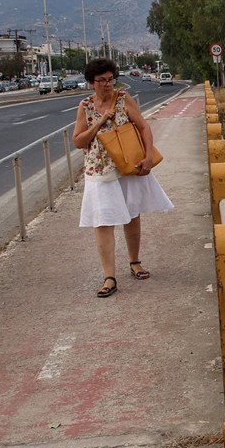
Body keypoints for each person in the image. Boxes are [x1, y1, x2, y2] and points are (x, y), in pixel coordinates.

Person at [73, 58, 173, 297]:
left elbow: (143, 127)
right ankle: (109, 276)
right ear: (91, 83)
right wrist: (100, 120)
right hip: (99, 170)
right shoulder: (85, 106)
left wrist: (148, 156)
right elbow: (78, 141)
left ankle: (135, 261)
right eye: (101, 81)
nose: (107, 85)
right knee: (103, 221)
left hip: (128, 165)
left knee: (131, 215)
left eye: (110, 79)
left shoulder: (123, 98)